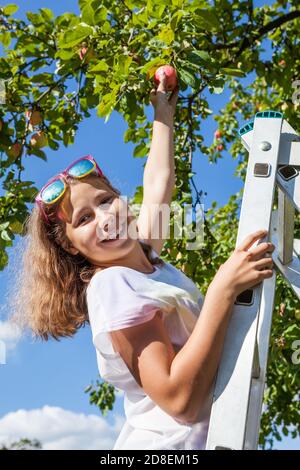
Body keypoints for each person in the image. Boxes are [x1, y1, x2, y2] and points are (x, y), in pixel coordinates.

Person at [10, 73, 275, 450]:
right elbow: (178, 400)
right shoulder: (112, 285)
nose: (104, 218)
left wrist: (162, 111)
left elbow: (158, 182)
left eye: (106, 201)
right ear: (69, 247)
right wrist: (223, 288)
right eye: (84, 219)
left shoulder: (145, 258)